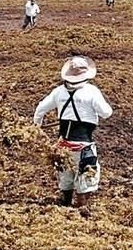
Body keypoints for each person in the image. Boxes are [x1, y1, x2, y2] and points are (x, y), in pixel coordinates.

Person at [33, 56, 113, 206]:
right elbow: (106, 113)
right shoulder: (91, 91)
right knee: (86, 178)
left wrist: (37, 128)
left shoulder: (59, 92)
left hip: (63, 145)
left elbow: (40, 109)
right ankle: (81, 211)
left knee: (65, 179)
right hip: (83, 145)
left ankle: (65, 206)